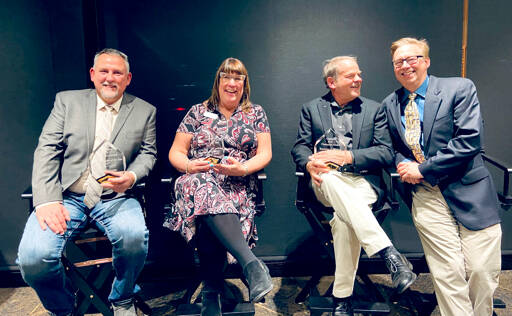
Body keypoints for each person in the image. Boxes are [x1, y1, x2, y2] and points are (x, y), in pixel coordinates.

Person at [17, 48, 157, 316]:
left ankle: (123, 298)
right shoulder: (67, 102)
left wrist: (132, 176)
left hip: (116, 198)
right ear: (93, 75)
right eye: (104, 71)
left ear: (128, 79)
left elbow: (148, 154)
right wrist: (46, 200)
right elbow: (47, 149)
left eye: (118, 73)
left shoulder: (144, 111)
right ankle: (62, 308)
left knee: (134, 238)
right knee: (34, 258)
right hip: (67, 197)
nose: (110, 78)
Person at [382, 37, 502, 316]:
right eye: (398, 61)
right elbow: (393, 147)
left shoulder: (458, 88)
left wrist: (422, 168)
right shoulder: (390, 103)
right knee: (448, 273)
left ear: (426, 61)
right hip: (425, 194)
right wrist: (403, 165)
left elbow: (469, 141)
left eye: (412, 58)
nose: (405, 65)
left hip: (469, 190)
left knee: (482, 271)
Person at [291, 56, 416, 316]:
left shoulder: (374, 109)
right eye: (351, 76)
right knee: (331, 178)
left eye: (359, 74)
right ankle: (389, 254)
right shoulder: (311, 109)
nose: (358, 79)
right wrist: (308, 164)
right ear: (331, 82)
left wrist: (347, 157)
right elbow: (301, 146)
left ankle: (342, 299)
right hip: (323, 180)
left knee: (343, 221)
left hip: (363, 181)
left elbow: (385, 152)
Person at [164, 57, 273, 316]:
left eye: (238, 78)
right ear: (219, 81)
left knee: (210, 214)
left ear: (245, 83)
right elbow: (176, 153)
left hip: (236, 184)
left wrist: (243, 168)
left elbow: (265, 153)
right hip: (196, 180)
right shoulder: (197, 112)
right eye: (227, 77)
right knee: (203, 188)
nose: (232, 83)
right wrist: (191, 166)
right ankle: (251, 265)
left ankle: (212, 292)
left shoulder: (255, 113)